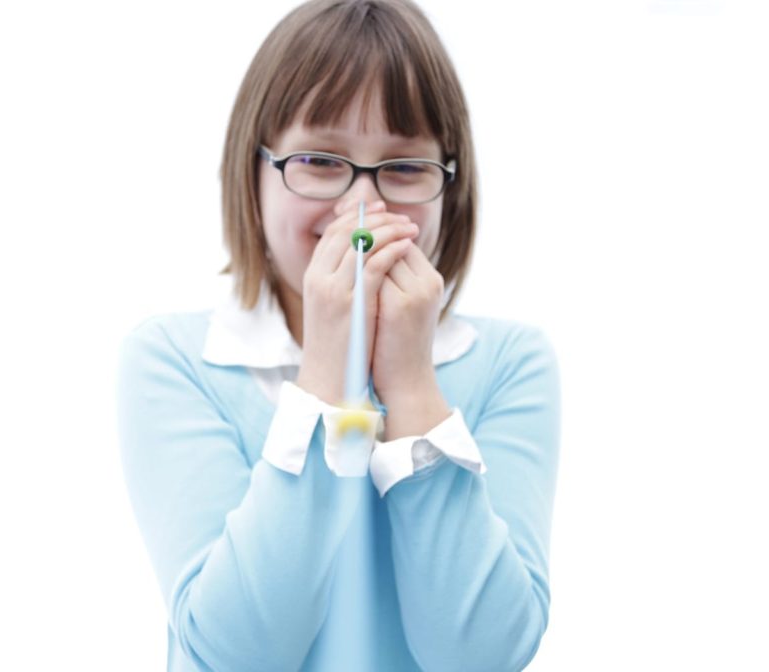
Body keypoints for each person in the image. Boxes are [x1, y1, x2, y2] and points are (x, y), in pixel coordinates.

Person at [116, 1, 561, 670]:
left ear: (450, 191)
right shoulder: (176, 360)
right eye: (321, 161)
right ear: (253, 172)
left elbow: (482, 653)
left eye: (405, 169)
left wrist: (411, 385)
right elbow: (237, 653)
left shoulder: (509, 363)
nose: (362, 208)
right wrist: (326, 370)